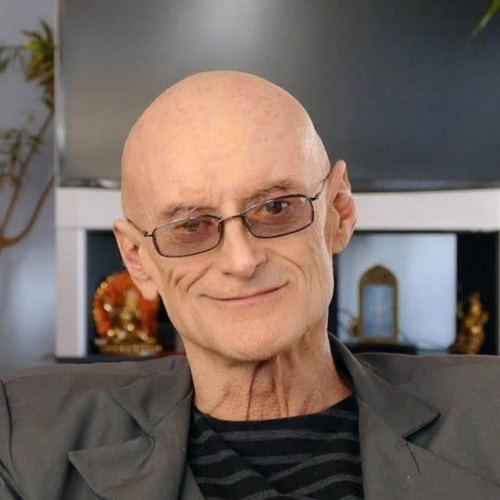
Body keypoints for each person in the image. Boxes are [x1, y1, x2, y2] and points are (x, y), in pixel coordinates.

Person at [1, 71, 500, 500]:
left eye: (276, 208)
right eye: (190, 226)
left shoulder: (489, 413)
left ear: (339, 212)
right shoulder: (22, 438)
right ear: (138, 259)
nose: (241, 261)